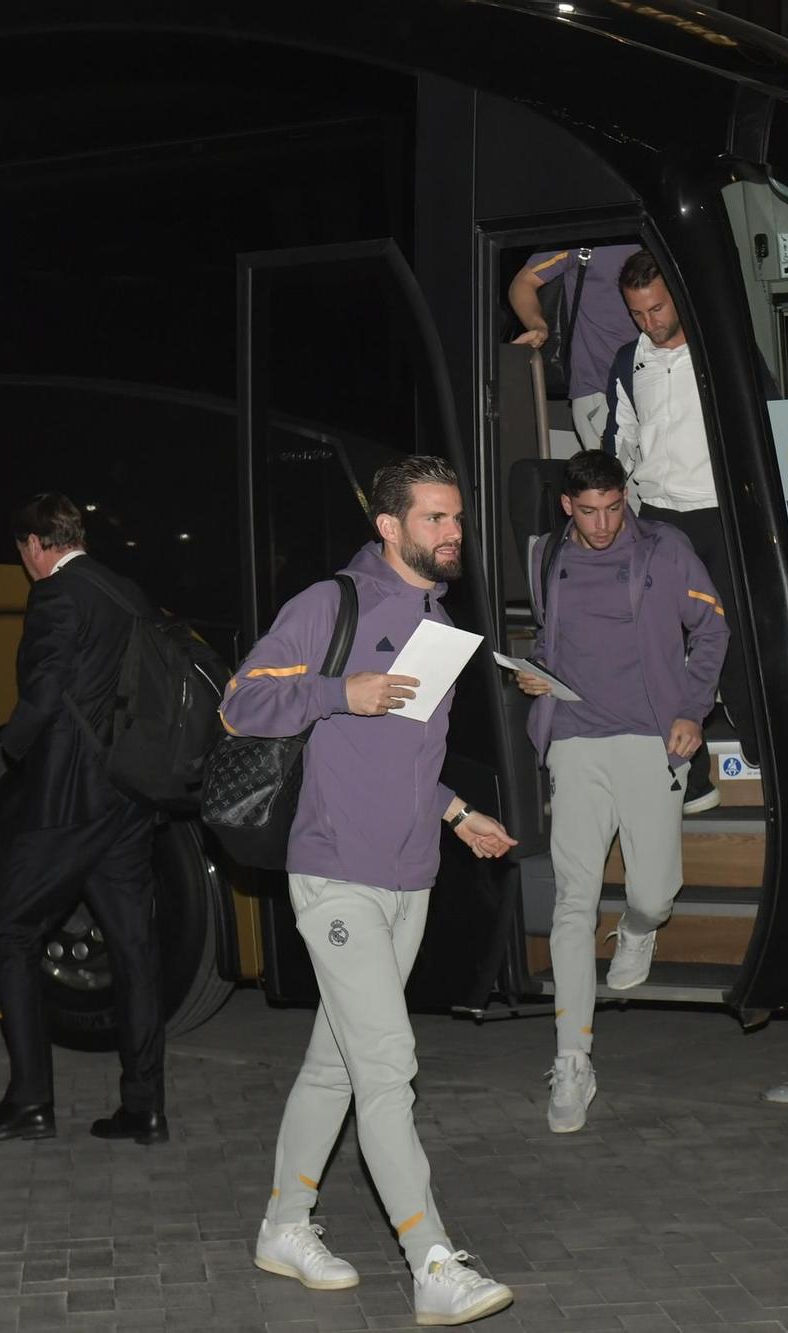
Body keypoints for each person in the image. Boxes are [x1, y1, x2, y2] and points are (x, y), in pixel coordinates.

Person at [223, 456, 517, 1326]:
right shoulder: (331, 603)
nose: (451, 532)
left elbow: (403, 761)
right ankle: (433, 1259)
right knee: (389, 1065)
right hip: (335, 871)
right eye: (434, 519)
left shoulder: (437, 617)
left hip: (409, 873)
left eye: (455, 518)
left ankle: (284, 1225)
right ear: (390, 527)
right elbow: (242, 702)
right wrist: (336, 693)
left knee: (338, 1064)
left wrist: (456, 811)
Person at [513, 450, 727, 1132]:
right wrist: (535, 673)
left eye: (613, 507)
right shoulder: (546, 554)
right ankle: (572, 1058)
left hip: (648, 739)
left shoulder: (665, 549)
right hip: (574, 739)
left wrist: (692, 708)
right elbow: (552, 641)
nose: (604, 524)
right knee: (573, 901)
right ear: (566, 507)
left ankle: (638, 929)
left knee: (653, 891)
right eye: (589, 511)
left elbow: (713, 626)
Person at [0, 492, 168, 1148]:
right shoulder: (124, 589)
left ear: (36, 544)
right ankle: (144, 1107)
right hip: (127, 799)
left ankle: (29, 1102)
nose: (25, 562)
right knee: (133, 948)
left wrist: (7, 755)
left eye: (23, 550)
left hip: (70, 800)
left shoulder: (55, 594)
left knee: (10, 931)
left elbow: (43, 694)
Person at [605, 247, 753, 813]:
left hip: (724, 512)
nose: (651, 322)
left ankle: (765, 749)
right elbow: (620, 441)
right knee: (664, 647)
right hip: (661, 518)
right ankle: (692, 776)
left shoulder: (724, 349)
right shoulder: (628, 360)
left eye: (658, 308)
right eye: (639, 312)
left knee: (737, 632)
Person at [508, 241, 642, 452]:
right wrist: (538, 326)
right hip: (598, 387)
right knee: (607, 481)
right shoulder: (581, 241)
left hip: (658, 378)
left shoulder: (655, 233)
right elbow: (523, 282)